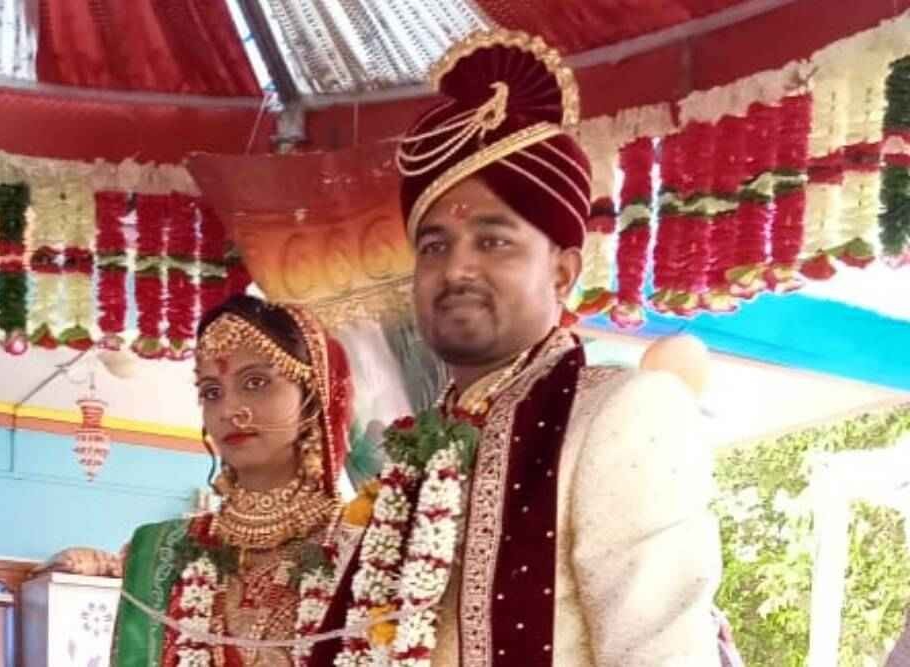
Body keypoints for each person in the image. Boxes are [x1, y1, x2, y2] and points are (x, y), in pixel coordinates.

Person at [309, 29, 724, 666]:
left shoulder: (620, 413)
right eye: (435, 246)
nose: (457, 269)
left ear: (562, 272)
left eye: (493, 241)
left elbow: (661, 653)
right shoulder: (416, 446)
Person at [39, 294, 363, 666]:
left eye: (256, 382)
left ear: (313, 396)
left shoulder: (363, 546)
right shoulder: (159, 552)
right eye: (211, 392)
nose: (229, 410)